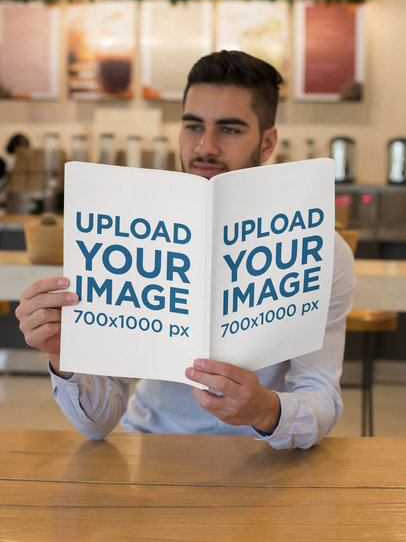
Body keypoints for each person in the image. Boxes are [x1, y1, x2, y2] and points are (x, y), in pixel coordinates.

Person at [15, 51, 355, 449]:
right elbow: (97, 425)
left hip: (264, 457)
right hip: (151, 448)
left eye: (229, 130)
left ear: (267, 143)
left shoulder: (320, 249)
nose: (204, 147)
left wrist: (264, 409)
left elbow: (321, 394)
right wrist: (63, 356)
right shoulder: (127, 237)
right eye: (193, 126)